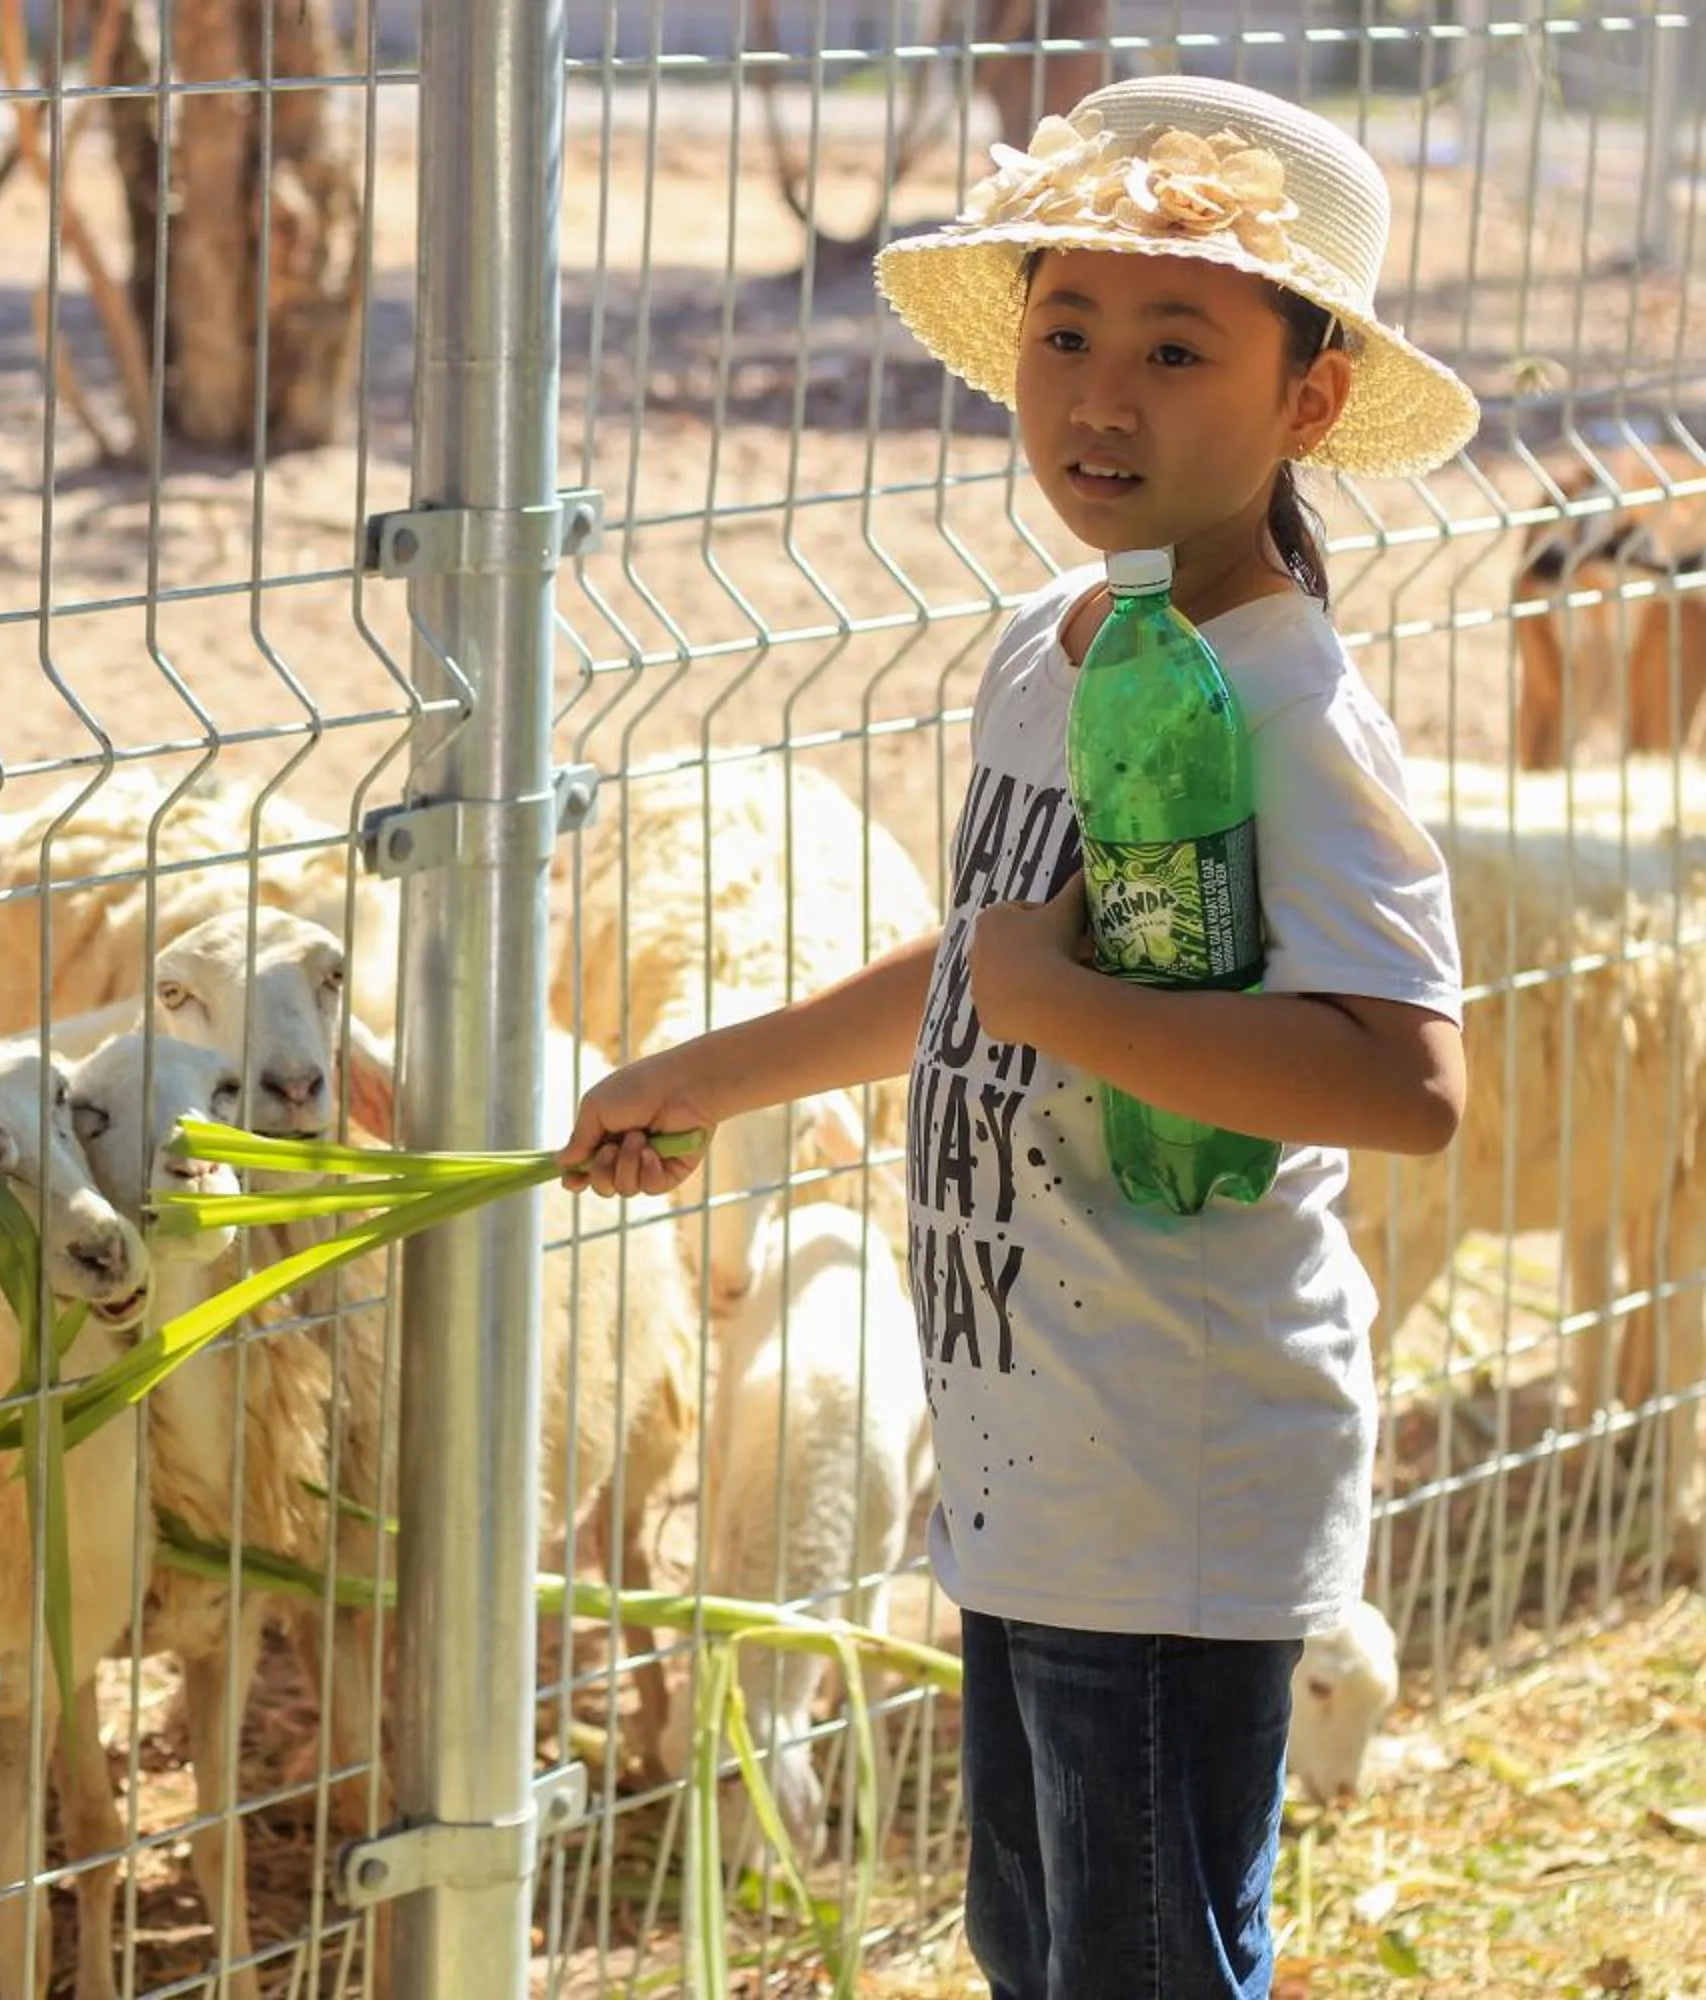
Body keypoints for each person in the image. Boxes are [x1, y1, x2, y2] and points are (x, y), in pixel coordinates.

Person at [558, 74, 1477, 2000]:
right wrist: (706, 1074)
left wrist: (1070, 1002)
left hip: (1177, 1462)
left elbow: (1407, 1083)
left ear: (1308, 402)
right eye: (1064, 332)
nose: (1102, 394)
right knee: (1038, 1940)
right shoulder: (1056, 642)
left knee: (1144, 1958)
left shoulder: (1286, 705)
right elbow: (987, 964)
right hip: (1033, 1454)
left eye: (1175, 345)